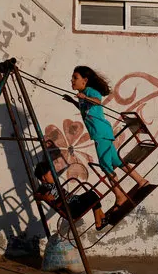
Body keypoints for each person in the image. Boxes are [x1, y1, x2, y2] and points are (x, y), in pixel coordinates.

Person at [63, 65, 153, 212]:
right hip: (102, 132)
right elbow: (85, 109)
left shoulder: (90, 92)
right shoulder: (82, 95)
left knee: (105, 164)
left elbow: (97, 101)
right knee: (116, 161)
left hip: (100, 133)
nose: (72, 80)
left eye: (75, 78)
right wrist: (73, 101)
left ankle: (119, 196)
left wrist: (84, 97)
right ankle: (141, 181)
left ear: (85, 80)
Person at [33, 161, 107, 230]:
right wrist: (44, 197)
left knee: (91, 195)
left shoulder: (53, 182)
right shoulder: (44, 188)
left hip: (74, 202)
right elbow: (36, 196)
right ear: (43, 177)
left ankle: (103, 217)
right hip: (71, 209)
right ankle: (98, 223)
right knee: (91, 195)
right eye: (51, 174)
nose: (53, 175)